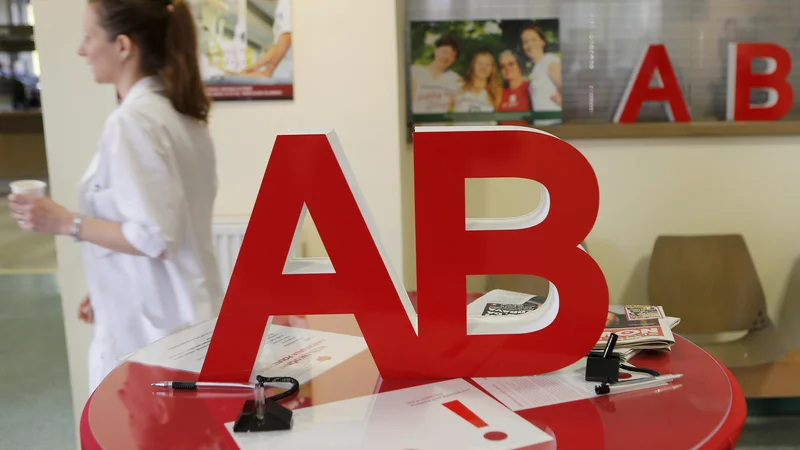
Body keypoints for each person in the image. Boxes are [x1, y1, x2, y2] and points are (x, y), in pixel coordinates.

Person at [7, 0, 224, 393]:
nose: (81, 49)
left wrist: (63, 222)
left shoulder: (134, 122)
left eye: (89, 36)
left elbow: (156, 235)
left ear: (124, 46)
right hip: (185, 317)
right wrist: (109, 285)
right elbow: (165, 223)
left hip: (156, 338)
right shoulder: (181, 115)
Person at [410, 35, 462, 114]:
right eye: (444, 52)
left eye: (452, 55)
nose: (447, 57)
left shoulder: (455, 79)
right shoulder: (415, 71)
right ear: (436, 51)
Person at [520, 25, 562, 125]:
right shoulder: (535, 69)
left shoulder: (549, 60)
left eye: (533, 40)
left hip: (555, 123)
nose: (529, 45)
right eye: (525, 42)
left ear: (542, 42)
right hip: (543, 126)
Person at [240, 0, 292, 79]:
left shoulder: (287, 3)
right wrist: (256, 66)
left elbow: (287, 37)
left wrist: (268, 71)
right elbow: (277, 46)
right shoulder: (281, 5)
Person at [496, 50, 532, 126]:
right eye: (503, 66)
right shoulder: (499, 92)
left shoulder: (530, 88)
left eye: (511, 64)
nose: (507, 68)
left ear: (519, 65)